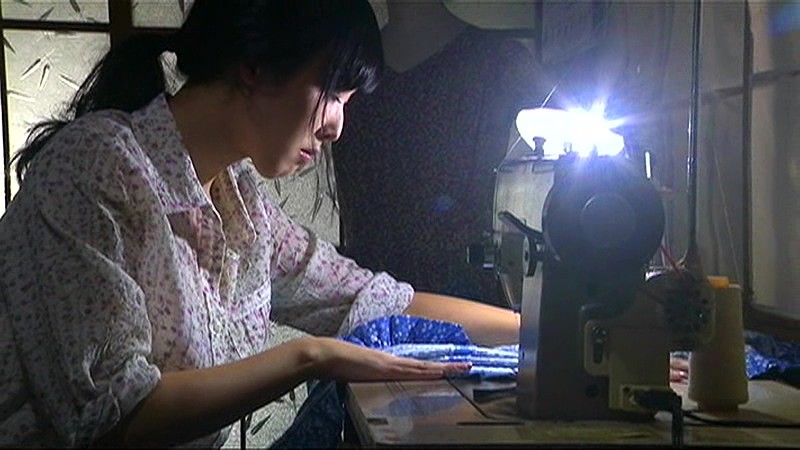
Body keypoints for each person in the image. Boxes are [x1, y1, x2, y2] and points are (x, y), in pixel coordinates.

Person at [0, 1, 519, 447]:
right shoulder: (99, 166)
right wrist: (309, 358)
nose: (337, 126)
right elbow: (120, 418)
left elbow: (368, 297)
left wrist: (533, 330)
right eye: (332, 93)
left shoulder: (240, 202)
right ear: (254, 67)